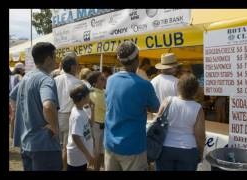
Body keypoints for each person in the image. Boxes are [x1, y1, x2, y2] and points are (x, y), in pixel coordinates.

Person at [104, 41, 160, 171]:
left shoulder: (110, 80)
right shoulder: (144, 85)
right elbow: (156, 108)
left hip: (110, 144)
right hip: (133, 147)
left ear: (120, 60)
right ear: (137, 60)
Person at [9, 42, 62, 171]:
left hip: (27, 143)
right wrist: (54, 127)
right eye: (55, 57)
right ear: (48, 59)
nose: (56, 61)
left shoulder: (27, 77)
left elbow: (12, 96)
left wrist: (18, 113)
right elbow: (48, 106)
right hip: (44, 146)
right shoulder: (46, 79)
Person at [155, 74, 206, 171]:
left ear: (178, 87)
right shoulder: (197, 108)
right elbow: (200, 135)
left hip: (165, 148)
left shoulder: (167, 101)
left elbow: (157, 123)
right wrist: (200, 152)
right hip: (188, 151)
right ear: (195, 91)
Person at [54, 52, 83, 170]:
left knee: (57, 146)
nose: (78, 67)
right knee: (66, 147)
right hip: (68, 116)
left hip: (55, 115)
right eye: (77, 65)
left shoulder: (55, 79)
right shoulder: (78, 82)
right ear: (72, 67)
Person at [67, 84, 96, 171]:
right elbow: (75, 137)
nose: (89, 97)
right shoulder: (77, 116)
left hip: (81, 155)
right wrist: (88, 155)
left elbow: (90, 124)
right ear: (83, 98)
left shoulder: (81, 110)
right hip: (77, 156)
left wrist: (93, 109)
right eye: (88, 95)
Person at [86, 71, 106, 171]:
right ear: (94, 82)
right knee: (97, 152)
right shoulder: (94, 93)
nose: (105, 80)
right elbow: (107, 107)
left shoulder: (102, 92)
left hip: (102, 125)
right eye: (102, 79)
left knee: (101, 152)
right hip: (96, 126)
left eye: (104, 78)